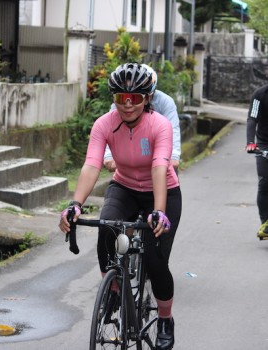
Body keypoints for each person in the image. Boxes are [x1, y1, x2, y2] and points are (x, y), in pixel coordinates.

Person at [59, 63, 182, 350]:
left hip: (162, 191)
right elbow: (92, 164)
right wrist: (75, 204)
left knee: (154, 259)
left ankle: (165, 318)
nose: (128, 105)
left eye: (135, 98)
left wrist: (159, 211)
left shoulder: (159, 125)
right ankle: (113, 288)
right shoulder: (104, 124)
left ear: (147, 98)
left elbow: (159, 168)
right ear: (114, 98)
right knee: (107, 229)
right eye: (121, 98)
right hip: (124, 187)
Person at [103, 64, 181, 173]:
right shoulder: (117, 107)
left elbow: (173, 129)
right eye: (123, 97)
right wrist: (109, 155)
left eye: (137, 97)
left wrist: (174, 155)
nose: (128, 104)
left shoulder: (165, 102)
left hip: (160, 153)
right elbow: (111, 130)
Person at [246, 84, 268, 239]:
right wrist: (250, 143)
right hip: (264, 144)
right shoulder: (260, 95)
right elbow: (252, 118)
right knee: (265, 182)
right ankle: (265, 223)